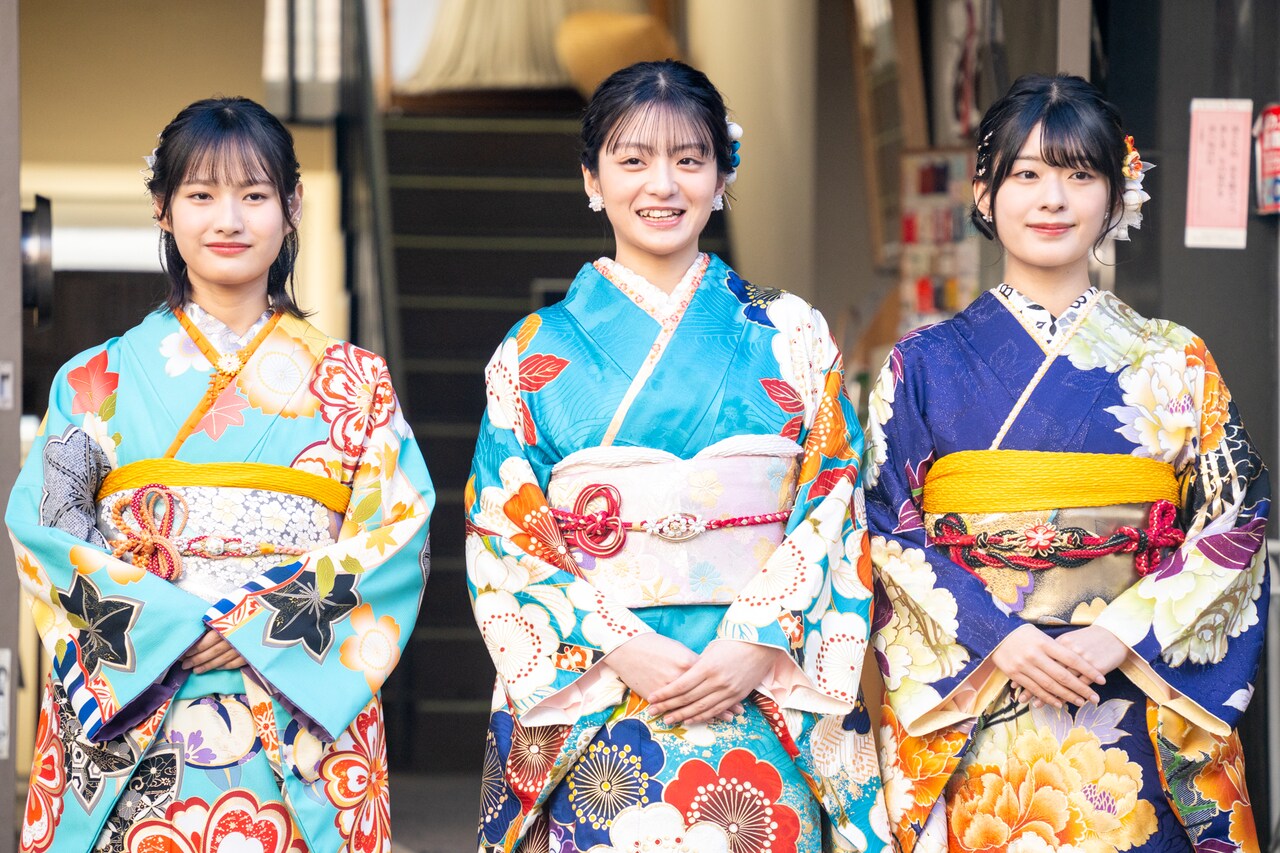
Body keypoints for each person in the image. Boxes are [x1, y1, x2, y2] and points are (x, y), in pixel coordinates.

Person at [465, 60, 888, 852]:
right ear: (591, 179)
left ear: (722, 176)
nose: (662, 185)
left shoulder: (793, 331)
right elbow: (505, 530)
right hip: (603, 695)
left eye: (689, 159)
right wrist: (620, 645)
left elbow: (833, 498)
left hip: (760, 687)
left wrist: (756, 639)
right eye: (633, 160)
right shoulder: (531, 351)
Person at [7, 97, 433, 853]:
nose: (228, 220)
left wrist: (261, 626)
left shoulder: (357, 383)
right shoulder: (92, 379)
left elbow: (398, 533)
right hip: (136, 707)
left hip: (299, 715)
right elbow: (44, 529)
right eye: (201, 195)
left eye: (255, 195)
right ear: (163, 209)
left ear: (291, 208)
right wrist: (173, 628)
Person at [866, 74, 1270, 853]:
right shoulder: (923, 364)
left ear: (1117, 196)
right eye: (1026, 174)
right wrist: (996, 634)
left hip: (1131, 692)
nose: (1053, 198)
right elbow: (884, 526)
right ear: (983, 194)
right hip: (983, 698)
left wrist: (1121, 632)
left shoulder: (1175, 359)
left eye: (1080, 174)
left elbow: (1236, 517)